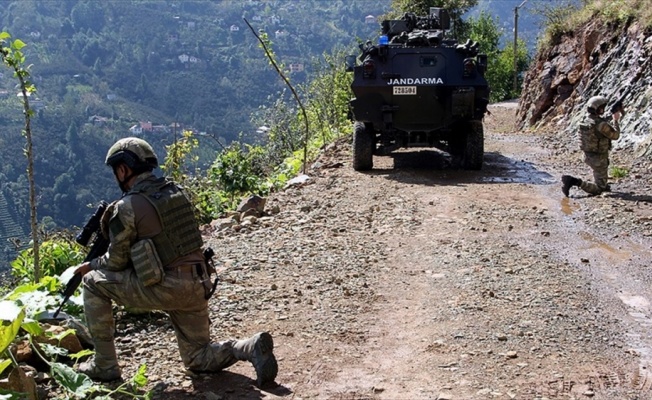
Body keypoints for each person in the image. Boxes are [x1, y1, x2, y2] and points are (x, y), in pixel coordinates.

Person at [72, 137, 278, 387]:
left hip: (167, 288)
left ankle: (105, 365)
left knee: (93, 282)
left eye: (117, 170)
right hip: (199, 283)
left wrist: (90, 266)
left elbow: (115, 262)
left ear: (123, 169)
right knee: (198, 358)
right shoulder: (177, 192)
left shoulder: (127, 206)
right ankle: (247, 347)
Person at [562, 95, 621, 197]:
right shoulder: (601, 124)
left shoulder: (586, 119)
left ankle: (601, 182)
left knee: (601, 178)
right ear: (599, 109)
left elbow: (598, 123)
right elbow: (615, 136)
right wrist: (616, 120)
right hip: (599, 158)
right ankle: (573, 181)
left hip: (588, 155)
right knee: (600, 189)